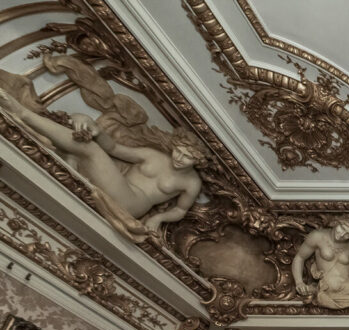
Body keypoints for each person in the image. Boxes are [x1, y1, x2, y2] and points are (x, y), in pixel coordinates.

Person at [0, 90, 206, 241]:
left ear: (198, 161)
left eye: (187, 157)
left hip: (132, 204)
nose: (179, 158)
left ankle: (23, 115)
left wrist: (159, 218)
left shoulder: (191, 182)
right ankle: (33, 125)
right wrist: (97, 129)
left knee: (90, 149)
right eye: (178, 151)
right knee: (84, 143)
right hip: (118, 187)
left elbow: (180, 210)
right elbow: (115, 149)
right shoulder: (155, 156)